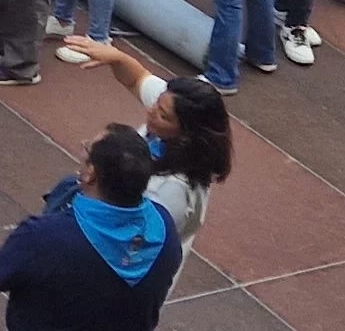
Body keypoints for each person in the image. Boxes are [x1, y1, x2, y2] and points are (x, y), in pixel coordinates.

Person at [57, 37, 234, 266]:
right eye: (157, 104)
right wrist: (116, 57)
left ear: (187, 133)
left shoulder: (171, 192)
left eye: (162, 114)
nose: (151, 111)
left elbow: (135, 245)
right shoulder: (170, 110)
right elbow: (136, 79)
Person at [0, 126, 185, 329]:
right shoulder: (165, 229)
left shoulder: (43, 237)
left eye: (88, 148)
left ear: (90, 174)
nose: (83, 148)